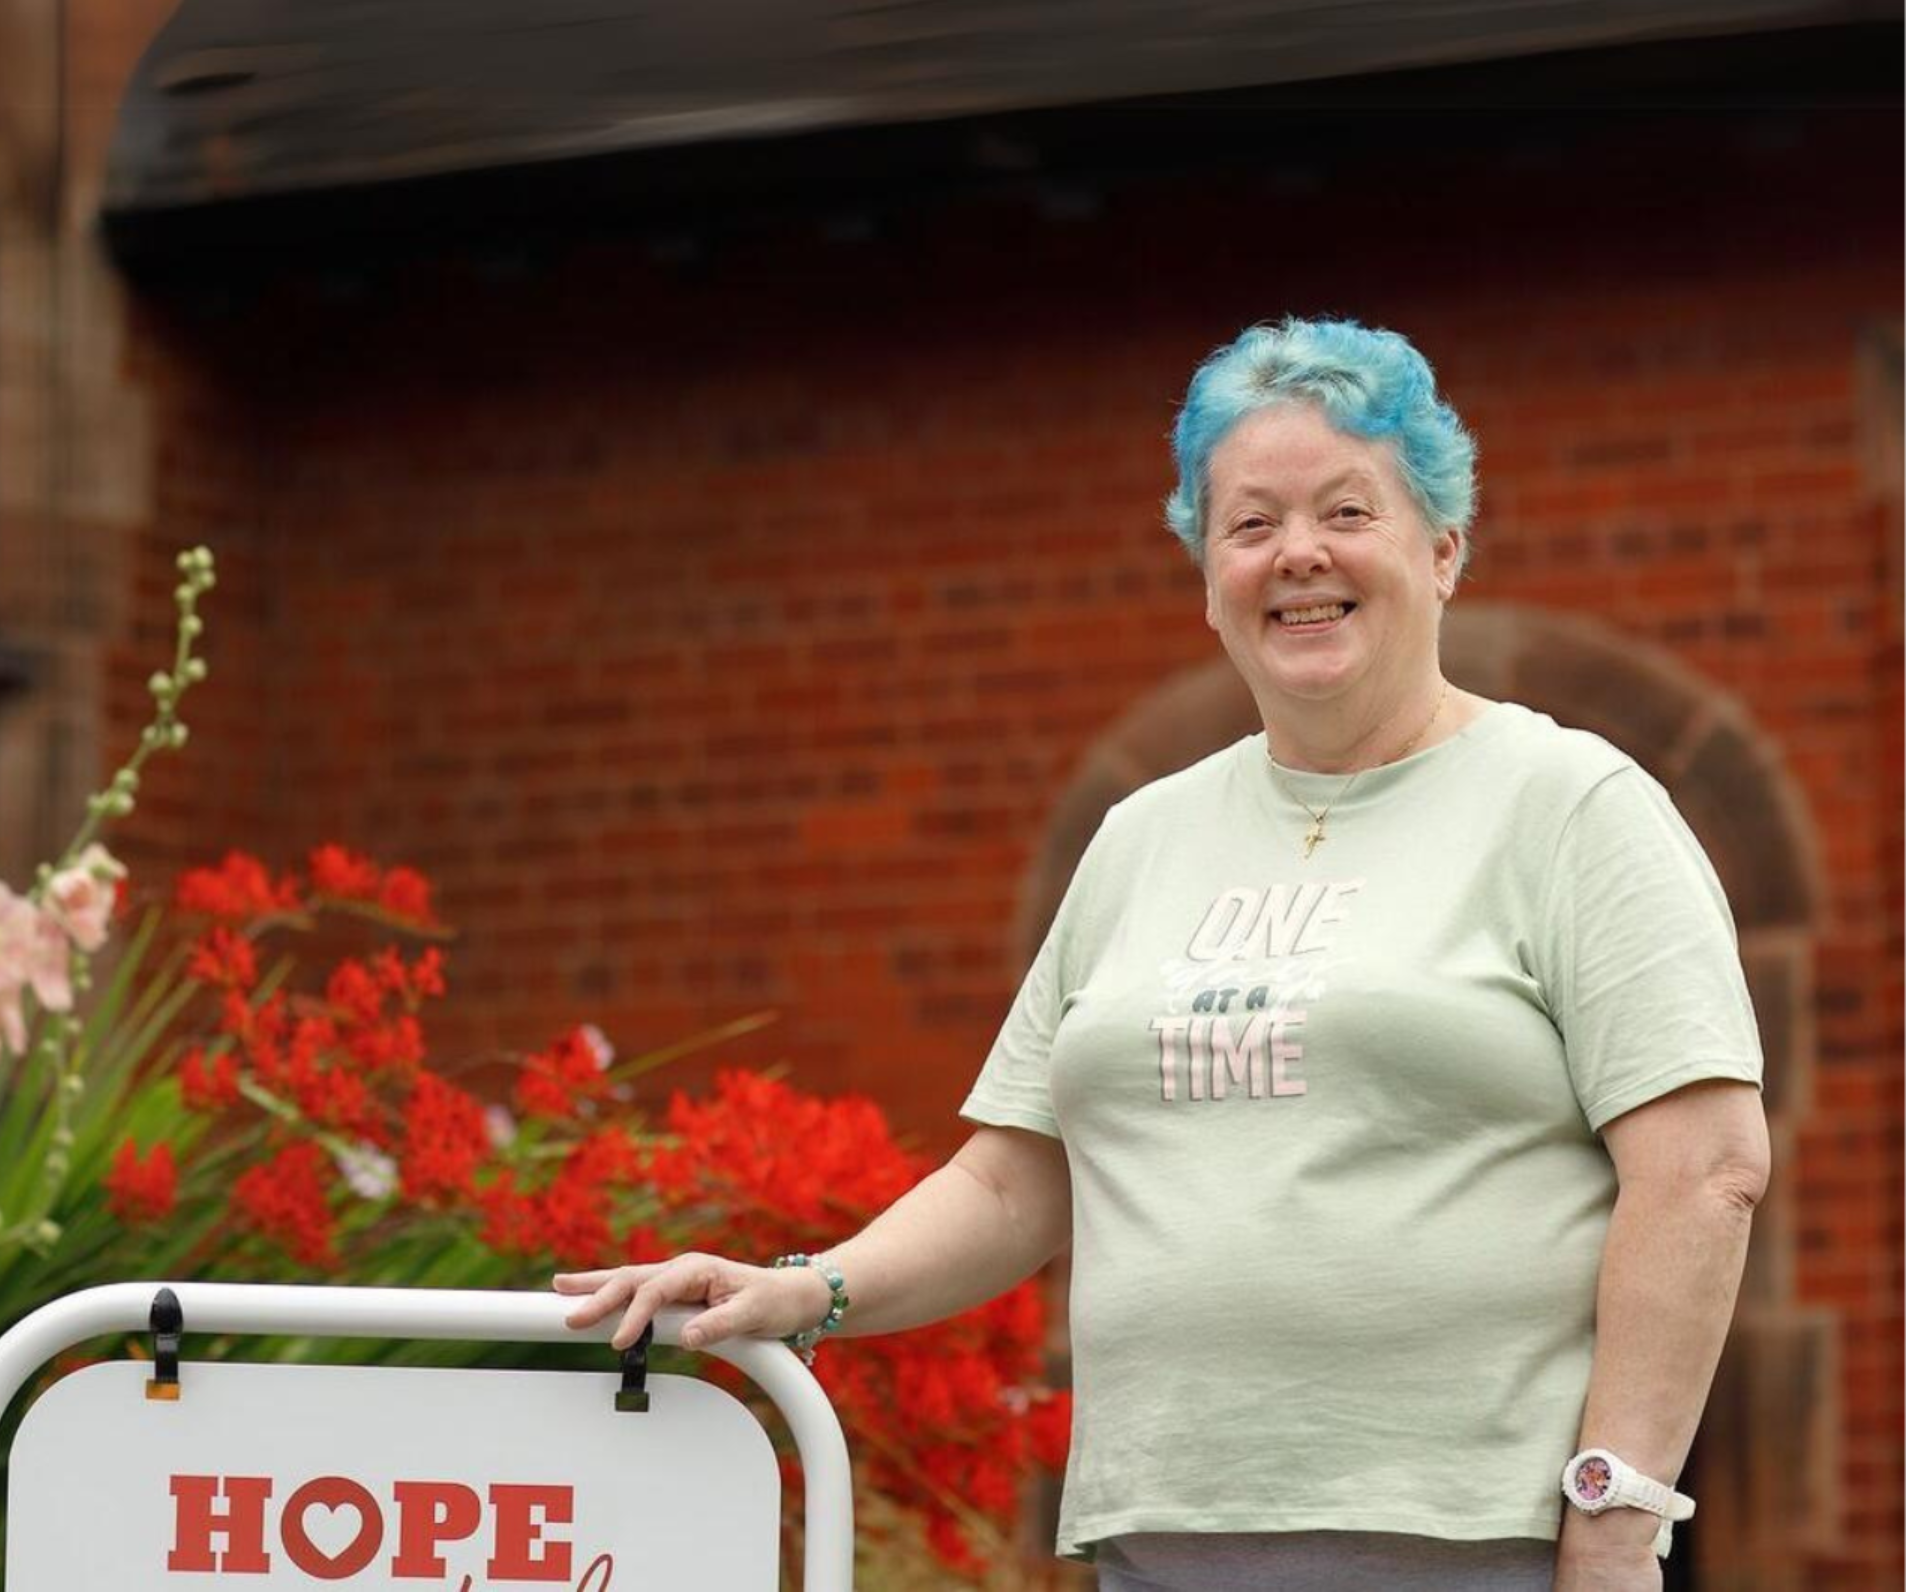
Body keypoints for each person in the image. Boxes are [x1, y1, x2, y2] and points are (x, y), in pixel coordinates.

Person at [557, 318, 1769, 1592]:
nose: (1298, 554)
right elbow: (1019, 1178)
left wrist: (1618, 1519)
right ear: (1208, 580)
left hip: (1472, 1547)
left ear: (1445, 548)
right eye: (1249, 526)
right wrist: (806, 1291)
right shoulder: (1143, 838)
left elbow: (1702, 1172)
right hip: (1159, 1546)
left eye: (1348, 511)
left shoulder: (1570, 804)